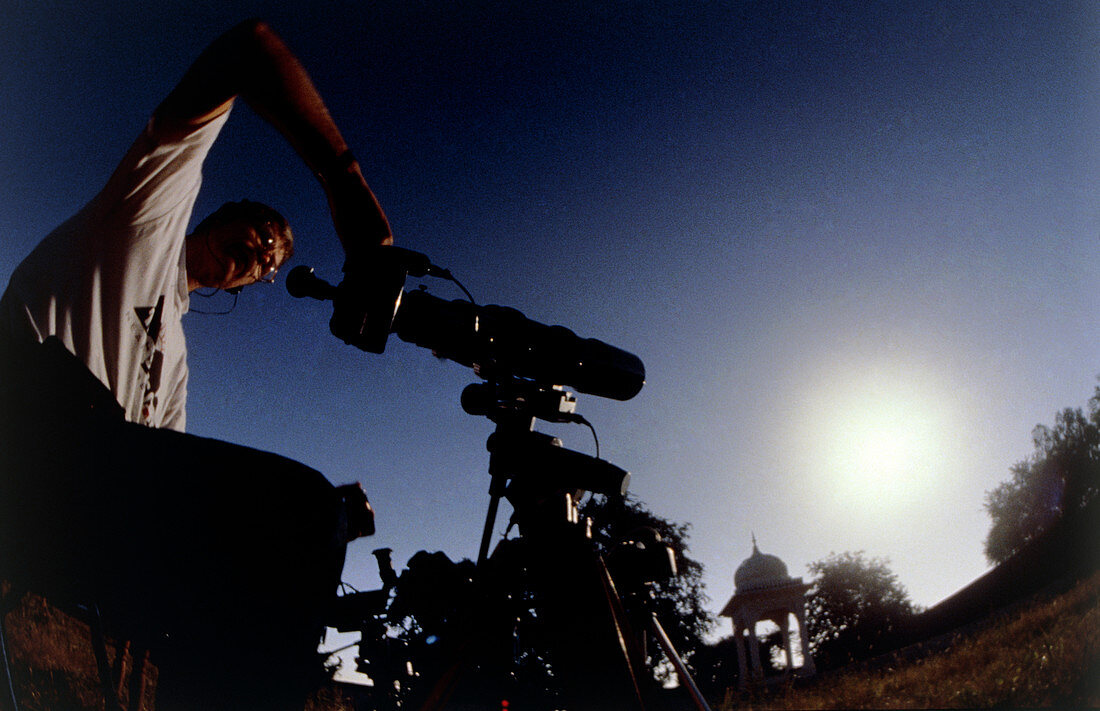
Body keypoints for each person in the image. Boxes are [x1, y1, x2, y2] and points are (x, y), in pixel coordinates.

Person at [0, 19, 390, 710]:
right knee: (294, 511)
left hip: (90, 513)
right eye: (265, 234)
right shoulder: (141, 220)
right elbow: (248, 47)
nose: (264, 256)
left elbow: (166, 481)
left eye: (272, 264)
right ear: (225, 212)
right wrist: (344, 182)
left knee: (299, 535)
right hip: (28, 451)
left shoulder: (175, 360)